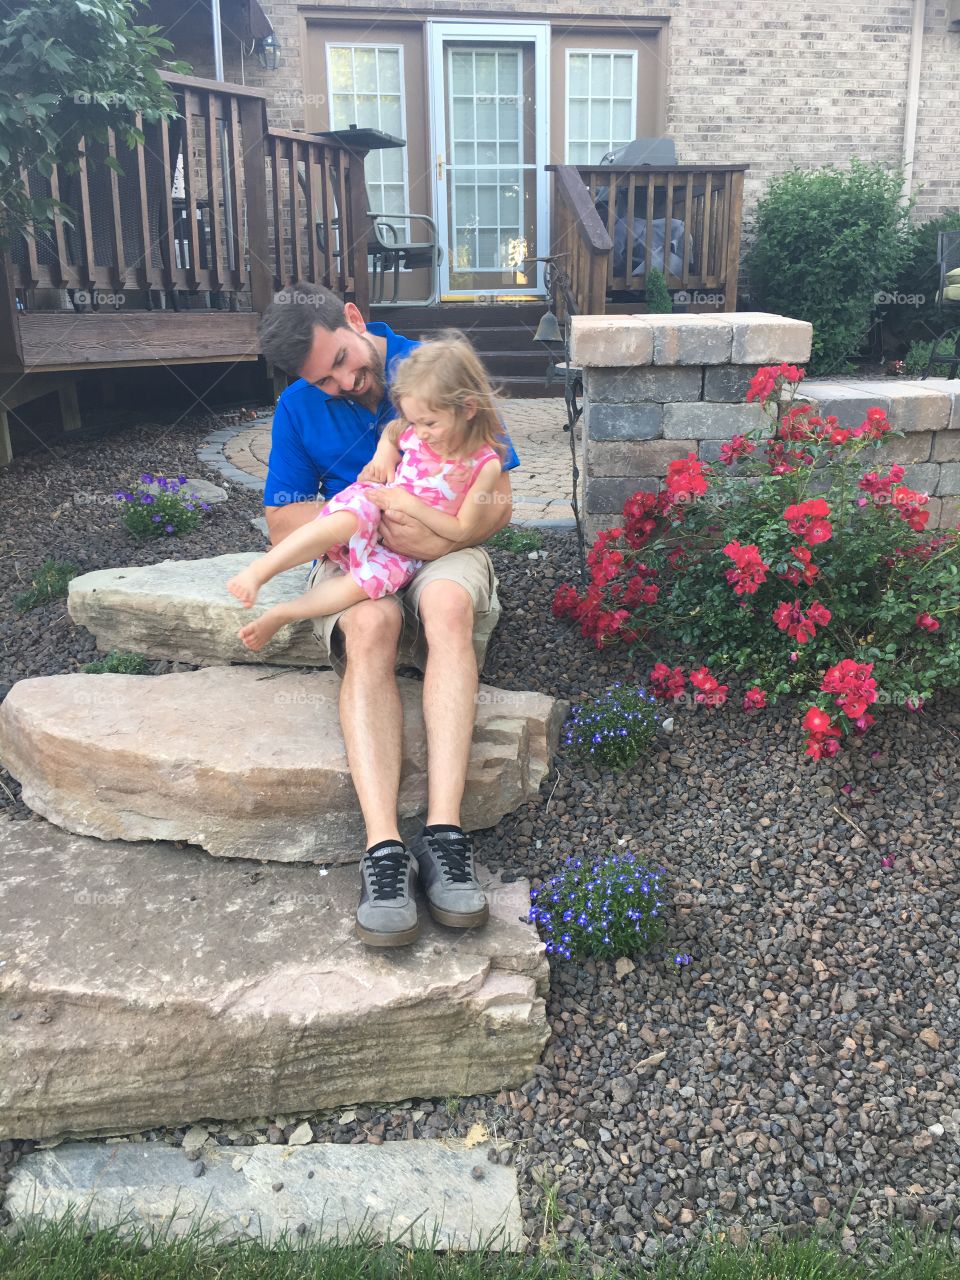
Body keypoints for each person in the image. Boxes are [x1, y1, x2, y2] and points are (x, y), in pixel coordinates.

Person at [256, 284, 519, 948]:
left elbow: (499, 498)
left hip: (447, 546)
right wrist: (370, 514)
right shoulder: (298, 406)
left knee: (448, 603)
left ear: (352, 318)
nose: (345, 382)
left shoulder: (436, 368)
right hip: (364, 548)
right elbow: (283, 519)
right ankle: (384, 851)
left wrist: (443, 535)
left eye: (344, 359)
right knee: (373, 625)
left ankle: (446, 835)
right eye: (326, 378)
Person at [226, 335, 506, 657]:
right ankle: (259, 571)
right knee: (342, 520)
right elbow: (395, 430)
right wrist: (384, 453)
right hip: (379, 500)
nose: (421, 433)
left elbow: (460, 528)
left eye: (428, 423)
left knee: (358, 587)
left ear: (468, 408)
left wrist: (411, 506)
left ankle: (283, 613)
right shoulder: (417, 426)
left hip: (407, 548)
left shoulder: (483, 464)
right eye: (415, 422)